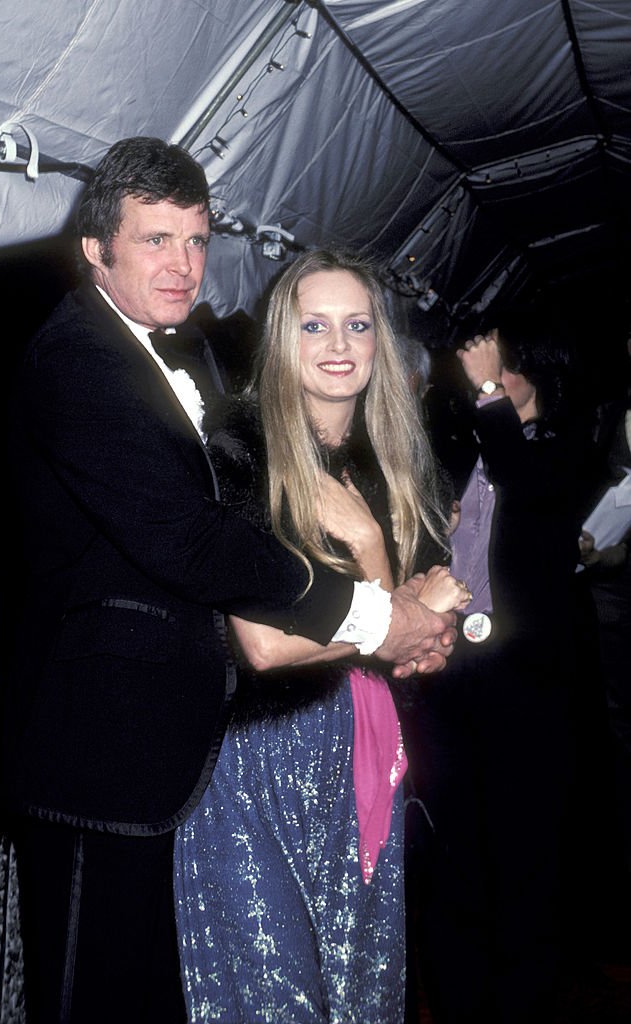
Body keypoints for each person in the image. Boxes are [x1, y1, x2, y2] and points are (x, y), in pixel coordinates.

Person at [0, 138, 457, 1023]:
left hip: (166, 757)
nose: (182, 263)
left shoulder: (181, 353)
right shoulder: (76, 361)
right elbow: (191, 544)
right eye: (155, 239)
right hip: (101, 758)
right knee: (91, 999)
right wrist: (369, 612)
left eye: (196, 239)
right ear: (96, 249)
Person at [174, 250, 470, 1023]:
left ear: (379, 341)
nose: (338, 345)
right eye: (314, 325)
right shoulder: (237, 450)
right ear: (281, 339)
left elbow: (428, 643)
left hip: (359, 753)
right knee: (277, 1000)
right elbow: (266, 645)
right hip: (247, 767)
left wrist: (374, 558)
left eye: (357, 325)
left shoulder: (397, 464)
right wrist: (397, 612)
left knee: (360, 990)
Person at [400, 317, 593, 1023]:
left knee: (523, 849)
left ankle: (523, 1000)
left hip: (527, 687)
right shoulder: (474, 452)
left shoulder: (558, 449)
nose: (485, 382)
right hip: (458, 674)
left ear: (528, 377)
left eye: (498, 371)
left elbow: (536, 494)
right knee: (456, 846)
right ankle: (459, 996)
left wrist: (486, 390)